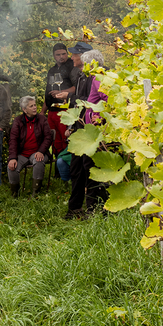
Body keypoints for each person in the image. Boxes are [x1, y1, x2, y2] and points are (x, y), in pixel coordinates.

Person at [65, 49, 109, 218]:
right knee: (82, 168)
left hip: (95, 131)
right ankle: (84, 208)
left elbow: (107, 101)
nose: (82, 68)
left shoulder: (98, 78)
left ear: (92, 64)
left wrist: (99, 119)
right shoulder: (86, 77)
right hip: (85, 128)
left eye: (84, 65)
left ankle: (94, 209)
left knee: (92, 169)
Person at [42, 42, 87, 164]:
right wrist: (42, 111)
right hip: (52, 110)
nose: (61, 57)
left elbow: (77, 88)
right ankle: (59, 167)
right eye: (58, 55)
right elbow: (48, 92)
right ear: (53, 55)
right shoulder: (52, 70)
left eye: (64, 54)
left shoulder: (73, 67)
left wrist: (62, 92)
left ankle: (67, 167)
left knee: (65, 139)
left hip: (66, 109)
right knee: (54, 141)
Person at [7, 96, 55, 198]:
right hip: (22, 154)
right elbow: (13, 140)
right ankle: (15, 195)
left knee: (38, 160)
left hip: (38, 152)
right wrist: (12, 158)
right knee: (11, 166)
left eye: (35, 105)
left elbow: (48, 137)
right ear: (24, 110)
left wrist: (41, 151)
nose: (34, 107)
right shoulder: (18, 121)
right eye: (31, 106)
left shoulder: (42, 119)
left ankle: (35, 193)